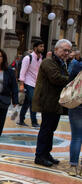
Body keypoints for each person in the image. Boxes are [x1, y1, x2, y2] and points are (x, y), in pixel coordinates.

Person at [32, 39, 71, 167]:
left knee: (51, 130)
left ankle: (46, 153)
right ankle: (40, 156)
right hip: (47, 101)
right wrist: (72, 80)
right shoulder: (48, 62)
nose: (66, 53)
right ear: (56, 50)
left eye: (68, 51)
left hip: (55, 102)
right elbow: (56, 78)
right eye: (64, 50)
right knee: (46, 129)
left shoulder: (61, 63)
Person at [17, 40, 45, 128]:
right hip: (28, 83)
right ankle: (34, 122)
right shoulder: (28, 58)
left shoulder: (40, 58)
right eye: (41, 46)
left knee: (27, 102)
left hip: (35, 84)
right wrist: (21, 84)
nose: (42, 48)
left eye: (43, 46)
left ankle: (21, 120)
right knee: (34, 101)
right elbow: (22, 72)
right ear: (35, 48)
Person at [67, 59, 82, 176]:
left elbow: (69, 82)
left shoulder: (77, 66)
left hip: (76, 103)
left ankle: (73, 166)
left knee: (76, 136)